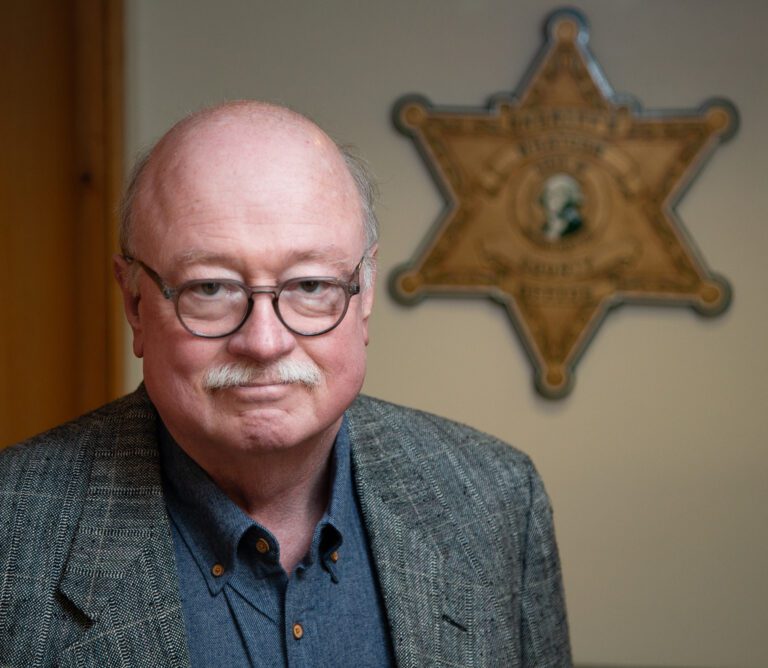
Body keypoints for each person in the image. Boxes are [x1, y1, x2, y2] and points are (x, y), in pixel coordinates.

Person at [0, 102, 571, 667]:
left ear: (364, 292)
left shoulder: (498, 500)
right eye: (211, 289)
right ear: (135, 304)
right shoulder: (13, 533)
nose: (265, 342)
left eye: (311, 284)